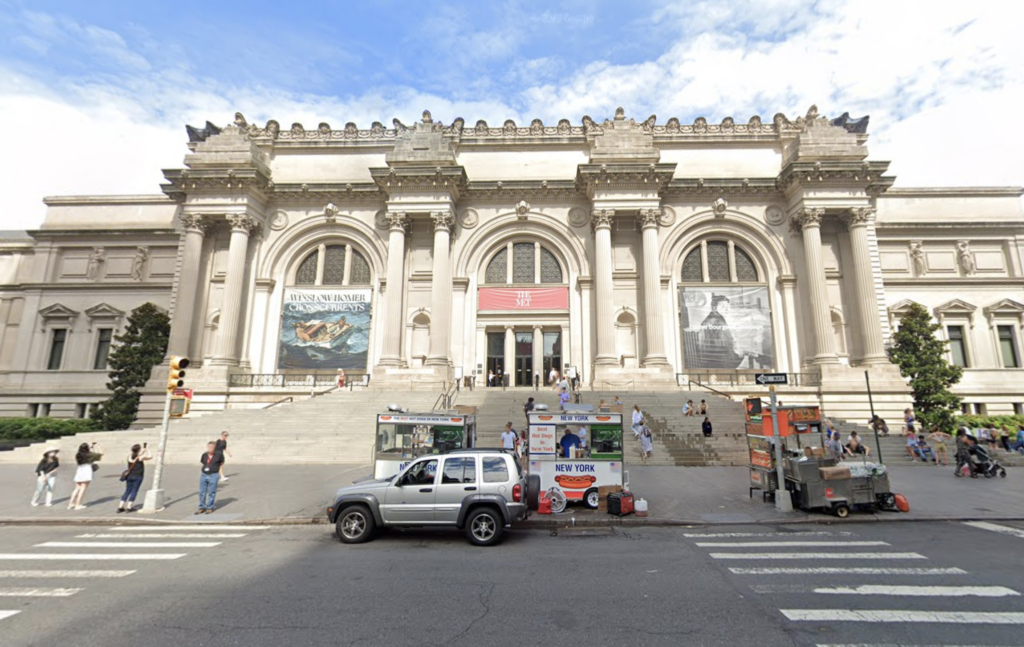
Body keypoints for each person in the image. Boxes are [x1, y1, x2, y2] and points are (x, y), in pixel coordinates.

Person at [699, 294, 744, 368]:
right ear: (714, 307)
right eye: (723, 307)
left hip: (708, 360)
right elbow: (726, 344)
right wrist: (738, 352)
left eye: (727, 307)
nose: (727, 309)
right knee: (745, 356)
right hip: (720, 361)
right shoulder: (718, 320)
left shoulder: (710, 318)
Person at [117, 443, 153, 513]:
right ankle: (129, 507)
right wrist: (147, 449)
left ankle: (120, 507)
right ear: (139, 450)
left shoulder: (129, 456)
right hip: (138, 476)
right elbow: (150, 456)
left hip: (129, 476)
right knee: (134, 491)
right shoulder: (140, 457)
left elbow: (135, 458)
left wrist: (141, 452)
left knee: (127, 491)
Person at [68, 442, 103, 510]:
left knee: (77, 488)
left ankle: (70, 504)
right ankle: (78, 505)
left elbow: (90, 454)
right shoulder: (89, 454)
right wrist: (98, 446)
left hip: (79, 470)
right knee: (83, 488)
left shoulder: (78, 454)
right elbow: (101, 453)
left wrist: (90, 448)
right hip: (86, 470)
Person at [198, 441, 225, 514]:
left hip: (213, 475)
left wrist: (214, 468)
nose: (210, 448)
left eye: (211, 447)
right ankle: (202, 507)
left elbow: (221, 463)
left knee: (211, 492)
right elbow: (203, 462)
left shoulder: (219, 455)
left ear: (215, 448)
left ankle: (210, 507)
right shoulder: (204, 455)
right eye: (209, 447)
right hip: (204, 474)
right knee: (202, 492)